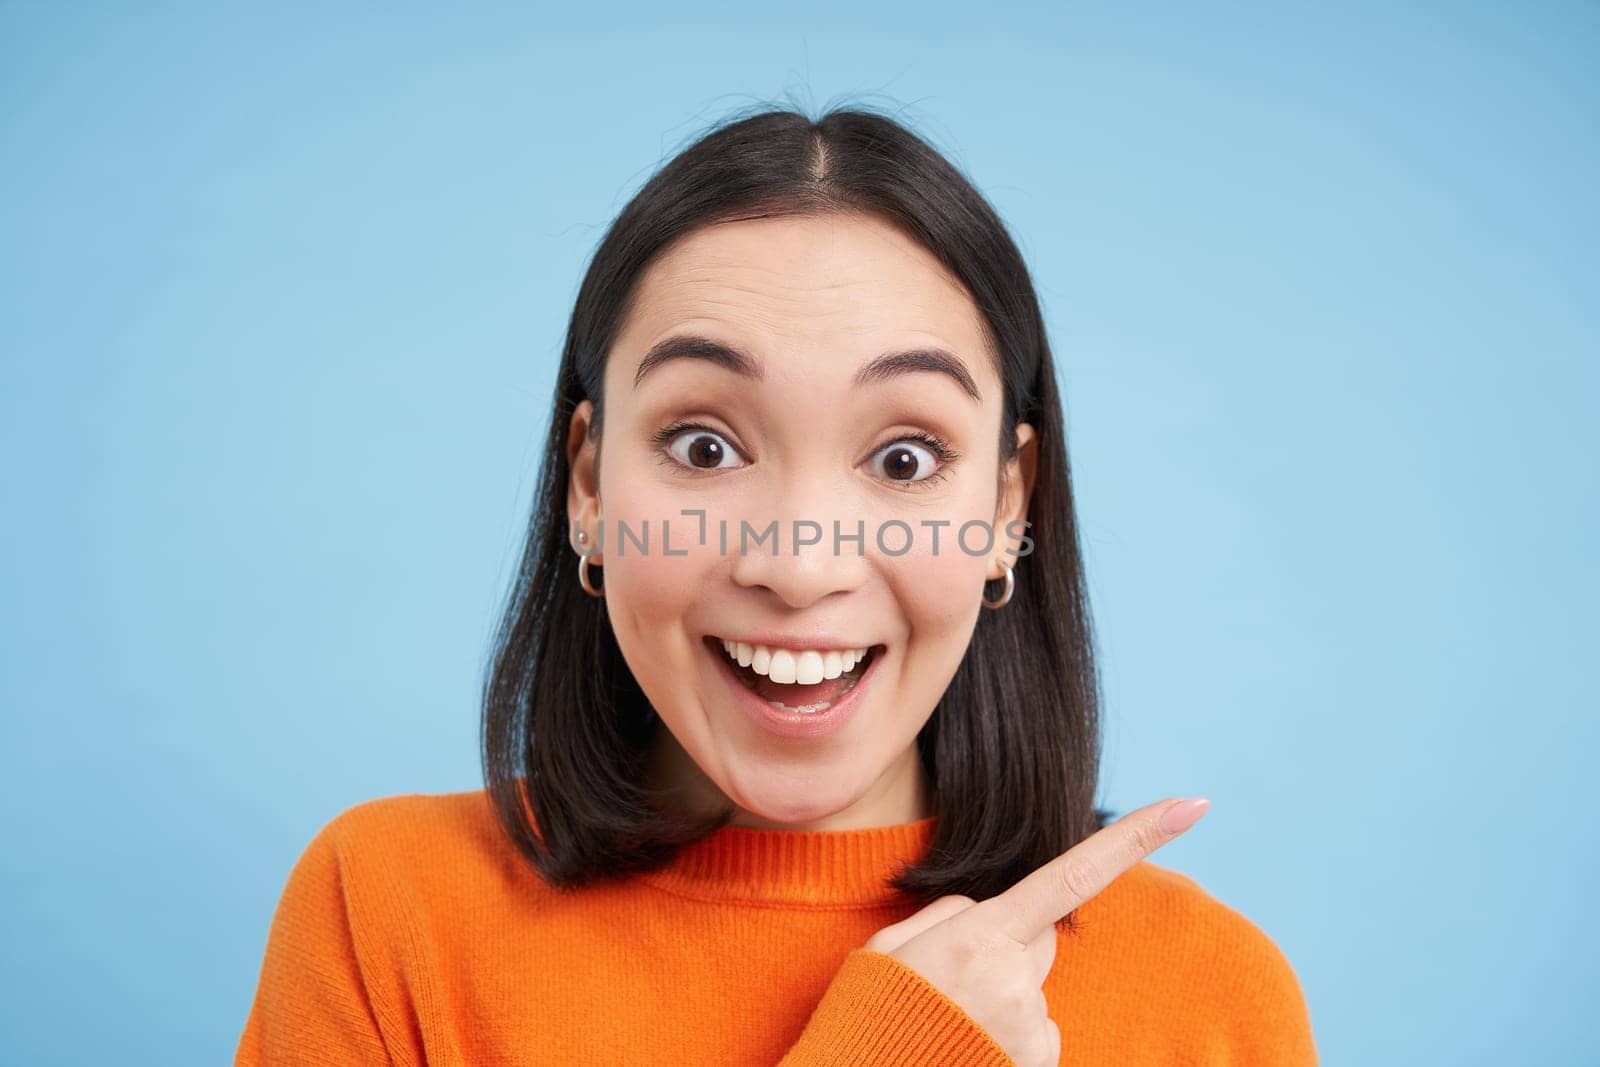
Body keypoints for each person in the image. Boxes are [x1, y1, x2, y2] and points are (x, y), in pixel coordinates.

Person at [235, 105, 1318, 1066]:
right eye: (703, 446)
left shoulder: (1208, 995)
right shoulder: (387, 910)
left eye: (903, 459)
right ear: (587, 484)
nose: (799, 568)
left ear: (1006, 507)